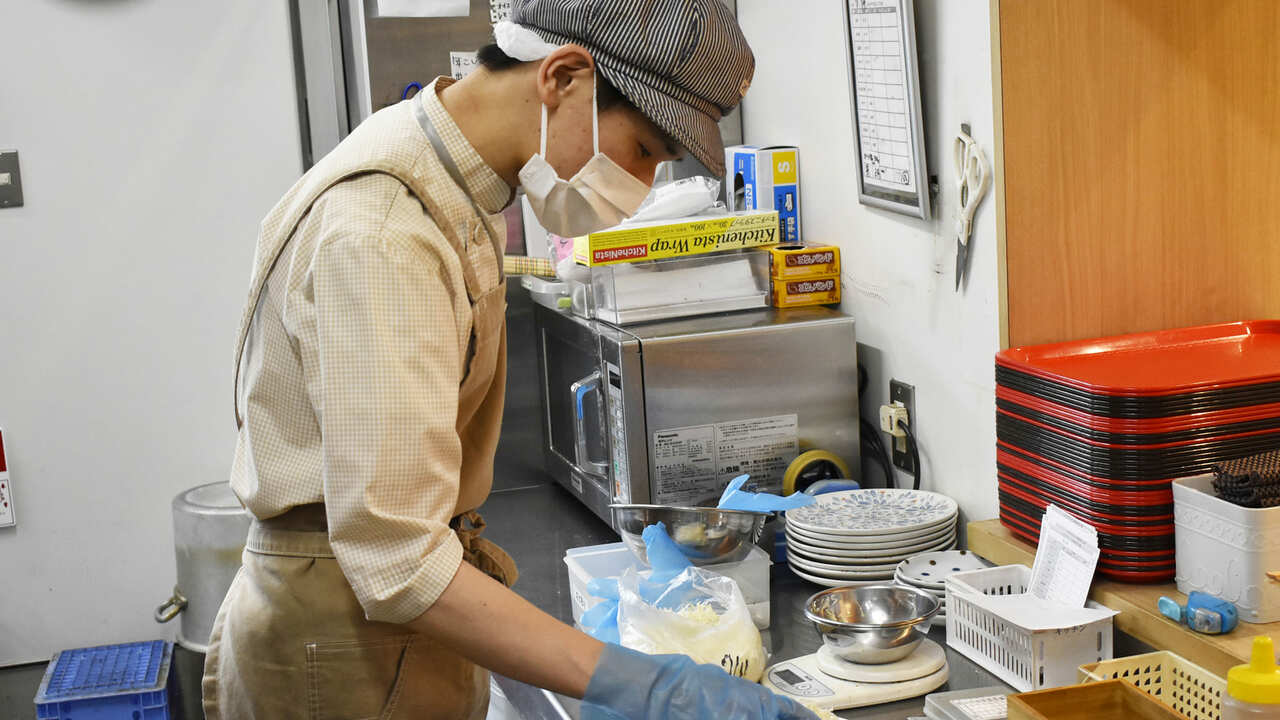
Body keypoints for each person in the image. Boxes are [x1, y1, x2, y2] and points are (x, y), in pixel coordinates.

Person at [202, 0, 818, 718]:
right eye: (645, 152)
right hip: (345, 646)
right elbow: (398, 562)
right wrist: (648, 684)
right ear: (561, 77)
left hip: (379, 622)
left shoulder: (448, 177)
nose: (644, 187)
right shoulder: (385, 233)